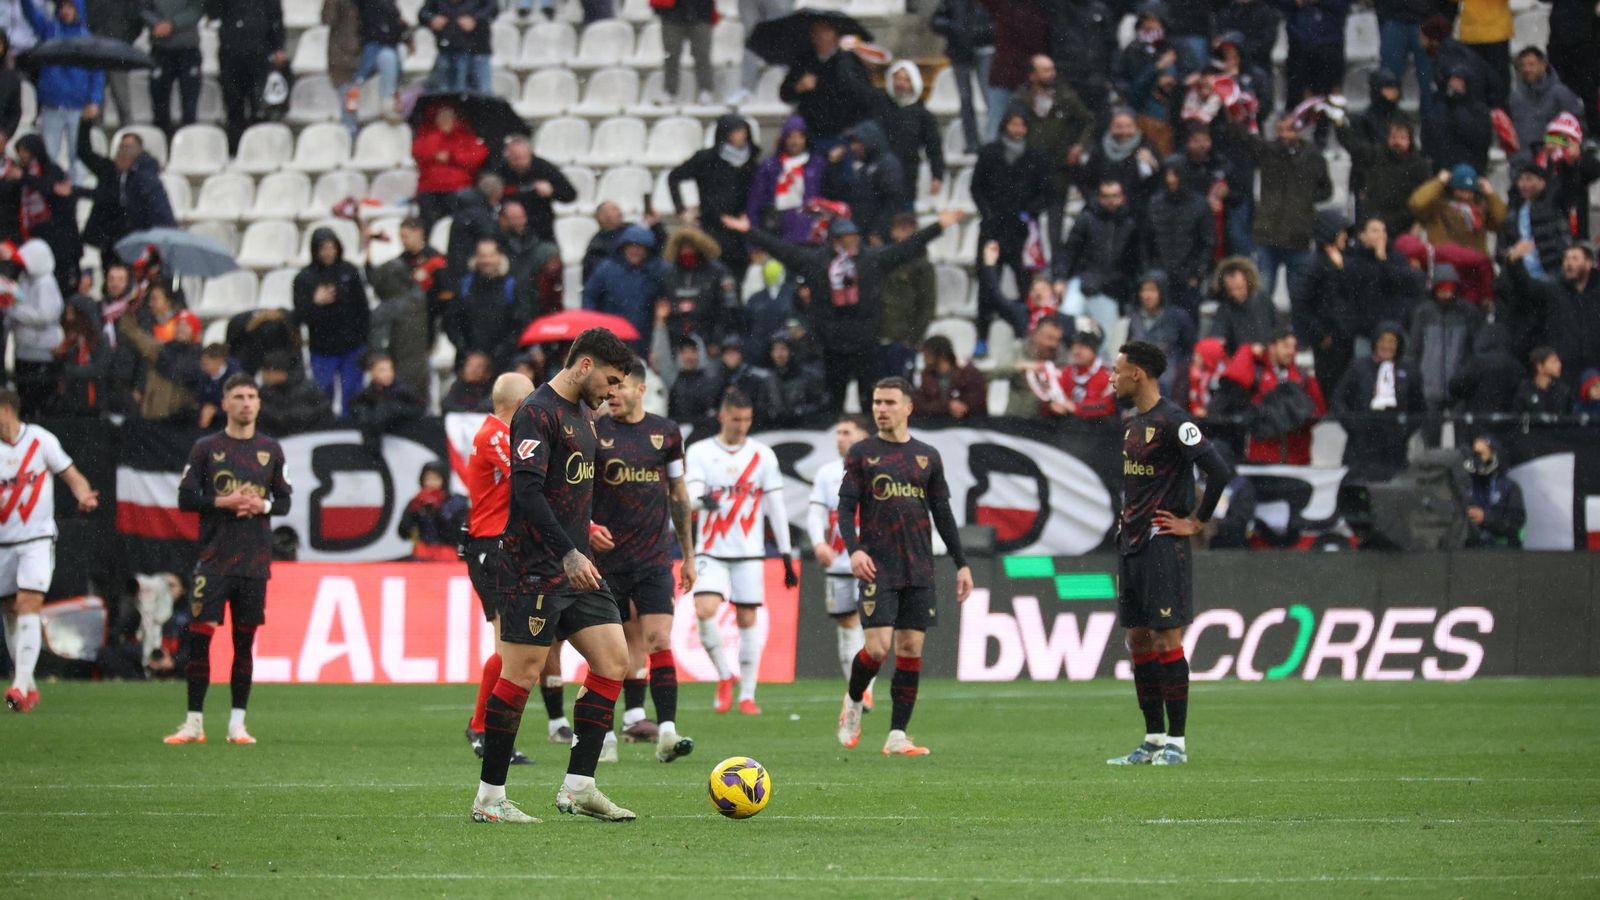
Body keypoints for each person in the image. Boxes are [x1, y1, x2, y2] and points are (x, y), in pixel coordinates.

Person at [470, 327, 639, 824]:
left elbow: (561, 490)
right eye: (610, 380)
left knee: (613, 660)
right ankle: (490, 798)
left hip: (575, 564)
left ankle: (579, 786)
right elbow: (526, 493)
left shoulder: (582, 416)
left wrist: (582, 532)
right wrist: (567, 551)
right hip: (533, 568)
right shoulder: (537, 412)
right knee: (519, 674)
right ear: (584, 365)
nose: (613, 392)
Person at [1105, 341, 1231, 766]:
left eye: (1117, 370)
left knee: (1165, 637)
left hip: (1163, 544)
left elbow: (1218, 471)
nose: (1112, 377)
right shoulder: (1131, 423)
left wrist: (1195, 522)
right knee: (1137, 638)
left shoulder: (1176, 422)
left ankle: (1177, 743)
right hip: (1132, 543)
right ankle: (1153, 739)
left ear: (1137, 373)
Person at [835, 377, 972, 755]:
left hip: (919, 566)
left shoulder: (927, 455)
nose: (881, 409)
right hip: (878, 565)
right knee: (877, 649)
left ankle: (897, 735)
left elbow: (942, 512)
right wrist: (854, 550)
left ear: (907, 408)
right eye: (877, 402)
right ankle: (853, 699)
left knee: (910, 647)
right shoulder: (863, 453)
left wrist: (962, 563)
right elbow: (845, 508)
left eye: (889, 402)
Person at [725, 209, 963, 413]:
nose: (852, 243)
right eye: (847, 239)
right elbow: (783, 250)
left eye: (854, 238)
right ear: (835, 240)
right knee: (831, 403)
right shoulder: (817, 262)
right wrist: (749, 231)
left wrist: (939, 226)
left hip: (866, 345)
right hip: (831, 347)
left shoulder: (871, 261)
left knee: (872, 403)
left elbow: (909, 247)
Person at [163, 375, 291, 744]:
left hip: (253, 563)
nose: (246, 403)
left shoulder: (271, 450)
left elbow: (284, 501)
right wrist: (223, 502)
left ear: (259, 403)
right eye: (238, 396)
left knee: (243, 643)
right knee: (200, 640)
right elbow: (186, 499)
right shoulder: (206, 448)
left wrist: (262, 504)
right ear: (225, 402)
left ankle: (237, 724)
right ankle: (194, 723)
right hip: (214, 559)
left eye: (252, 396)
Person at [591, 359, 698, 762]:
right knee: (610, 653)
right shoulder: (594, 432)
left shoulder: (666, 433)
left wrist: (687, 555)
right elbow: (576, 489)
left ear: (641, 389)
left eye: (619, 387)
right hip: (606, 561)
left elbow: (678, 493)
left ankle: (667, 732)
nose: (612, 394)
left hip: (654, 557)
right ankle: (602, 734)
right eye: (609, 387)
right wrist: (585, 526)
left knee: (658, 640)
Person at [683, 391, 796, 715]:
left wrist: (786, 556)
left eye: (747, 420)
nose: (742, 426)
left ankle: (747, 694)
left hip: (749, 552)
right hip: (711, 550)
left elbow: (776, 506)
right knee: (705, 610)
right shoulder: (701, 451)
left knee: (748, 619)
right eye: (736, 419)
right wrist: (703, 500)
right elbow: (689, 496)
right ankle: (724, 674)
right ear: (722, 416)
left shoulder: (763, 456)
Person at [0, 389, 98, 712]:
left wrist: (84, 495)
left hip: (37, 539)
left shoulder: (40, 440)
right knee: (10, 610)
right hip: (2, 543)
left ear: (6, 410)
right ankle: (27, 683)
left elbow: (71, 475)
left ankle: (17, 686)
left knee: (28, 602)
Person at [461, 372, 539, 767]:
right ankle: (484, 729)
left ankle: (485, 728)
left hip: (503, 548)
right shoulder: (495, 435)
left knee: (520, 650)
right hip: (492, 549)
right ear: (521, 404)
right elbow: (528, 481)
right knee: (512, 651)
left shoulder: (496, 433)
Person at [806, 414, 874, 712]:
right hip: (838, 563)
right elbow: (815, 513)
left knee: (873, 626)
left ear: (862, 435)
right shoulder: (827, 473)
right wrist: (818, 542)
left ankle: (865, 690)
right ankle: (856, 691)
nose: (840, 438)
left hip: (873, 563)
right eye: (837, 433)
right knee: (847, 624)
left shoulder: (878, 469)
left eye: (846, 432)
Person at [971, 109, 1051, 346]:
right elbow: (977, 188)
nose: (1017, 130)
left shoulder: (1036, 156)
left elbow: (1047, 193)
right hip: (992, 232)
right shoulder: (989, 153)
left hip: (1022, 235)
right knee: (987, 285)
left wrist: (1030, 212)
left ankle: (1027, 335)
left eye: (1022, 125)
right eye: (1013, 124)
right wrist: (988, 213)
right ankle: (982, 336)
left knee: (1025, 285)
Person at [1053, 179, 1142, 347]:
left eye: (1115, 196)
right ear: (1099, 198)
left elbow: (1133, 263)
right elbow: (1069, 251)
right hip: (1082, 281)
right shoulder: (1086, 220)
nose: (1110, 201)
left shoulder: (1130, 225)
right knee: (1065, 319)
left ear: (1123, 197)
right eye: (1106, 196)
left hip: (1110, 289)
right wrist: (1060, 278)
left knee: (1106, 341)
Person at [1499, 243, 1600, 390]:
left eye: (1575, 258)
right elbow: (1527, 287)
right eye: (1566, 259)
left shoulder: (1596, 295)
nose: (1568, 263)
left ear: (1589, 263)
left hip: (1594, 372)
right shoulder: (1553, 292)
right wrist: (1515, 262)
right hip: (1563, 373)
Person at [1332, 322, 1424, 480]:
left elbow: (1420, 408)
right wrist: (1352, 424)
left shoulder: (1409, 370)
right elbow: (1339, 399)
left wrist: (1404, 430)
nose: (1386, 345)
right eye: (1382, 340)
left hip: (1394, 448)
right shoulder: (1358, 367)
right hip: (1361, 445)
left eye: (1392, 341)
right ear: (1375, 342)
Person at [20, 0, 99, 184]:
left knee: (76, 157)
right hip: (52, 106)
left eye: (70, 7)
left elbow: (97, 73)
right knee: (49, 155)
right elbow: (31, 14)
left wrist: (94, 100)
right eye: (62, 6)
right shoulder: (49, 31)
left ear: (78, 10)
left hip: (78, 107)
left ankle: (75, 197)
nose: (65, 11)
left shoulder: (86, 38)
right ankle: (50, 199)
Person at [1222, 327, 1328, 464]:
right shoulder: (1257, 373)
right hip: (1262, 459)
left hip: (1297, 459)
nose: (1291, 352)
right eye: (1285, 346)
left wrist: (1294, 417)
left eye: (1293, 347)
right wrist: (1247, 351)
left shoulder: (1303, 377)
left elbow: (1319, 411)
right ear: (1271, 347)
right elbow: (1234, 377)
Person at [293, 228, 370, 413]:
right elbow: (299, 316)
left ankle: (350, 430)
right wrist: (315, 302)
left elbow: (363, 308)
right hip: (322, 349)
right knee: (322, 394)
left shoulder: (349, 271)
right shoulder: (304, 278)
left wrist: (365, 340)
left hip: (351, 346)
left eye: (331, 247)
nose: (328, 252)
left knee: (352, 394)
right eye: (323, 248)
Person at [78, 128, 176, 260]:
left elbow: (159, 210)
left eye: (128, 147)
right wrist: (85, 123)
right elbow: (84, 152)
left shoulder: (145, 177)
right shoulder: (110, 170)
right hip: (110, 241)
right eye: (121, 147)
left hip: (136, 239)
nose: (123, 151)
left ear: (139, 150)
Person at [777, 18, 879, 143]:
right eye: (816, 32)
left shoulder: (848, 60)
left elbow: (863, 95)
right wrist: (799, 87)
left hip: (842, 131)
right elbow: (785, 94)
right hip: (811, 132)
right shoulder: (804, 61)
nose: (820, 36)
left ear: (835, 35)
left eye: (825, 32)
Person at [208, 0, 288, 150]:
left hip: (259, 54)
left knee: (260, 107)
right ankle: (236, 148)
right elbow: (212, 12)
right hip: (231, 54)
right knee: (233, 105)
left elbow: (276, 17)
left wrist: (279, 46)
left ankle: (261, 148)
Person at [1143, 156, 1215, 317]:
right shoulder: (1155, 203)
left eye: (1175, 175)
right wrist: (1149, 271)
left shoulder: (1200, 205)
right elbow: (1146, 241)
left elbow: (1207, 243)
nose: (1171, 180)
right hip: (1160, 275)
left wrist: (1198, 273)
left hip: (1188, 276)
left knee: (1188, 324)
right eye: (1167, 175)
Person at [1408, 263, 1482, 416]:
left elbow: (1476, 350)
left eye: (1450, 289)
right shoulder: (1423, 313)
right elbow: (1414, 350)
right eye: (1442, 289)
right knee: (1430, 435)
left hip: (1460, 387)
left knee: (1462, 435)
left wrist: (1468, 377)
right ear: (1435, 289)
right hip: (1429, 387)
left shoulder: (1469, 313)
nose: (1446, 294)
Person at [1339, 117, 1430, 237]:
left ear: (1410, 140)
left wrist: (1418, 223)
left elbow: (1424, 199)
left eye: (1402, 138)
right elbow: (1354, 147)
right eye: (1393, 137)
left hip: (1405, 227)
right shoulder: (1376, 156)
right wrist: (1340, 126)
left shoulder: (1419, 166)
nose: (1397, 142)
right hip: (1376, 224)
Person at [2, 240, 65, 415]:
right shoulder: (24, 279)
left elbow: (44, 316)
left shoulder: (46, 283)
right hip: (23, 352)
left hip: (41, 355)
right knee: (25, 401)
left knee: (40, 401)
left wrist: (13, 310)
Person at [449, 238, 530, 373]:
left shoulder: (511, 286)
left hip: (503, 364)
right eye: (482, 256)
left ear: (499, 257)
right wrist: (468, 353)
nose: (486, 261)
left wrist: (495, 355)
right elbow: (452, 322)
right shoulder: (465, 286)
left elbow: (519, 324)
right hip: (468, 363)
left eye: (490, 256)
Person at [583, 225, 667, 352]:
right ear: (623, 247)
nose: (635, 251)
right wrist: (593, 327)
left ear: (647, 250)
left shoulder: (657, 270)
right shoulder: (607, 269)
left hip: (646, 337)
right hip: (612, 336)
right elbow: (590, 296)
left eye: (640, 247)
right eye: (631, 246)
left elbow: (665, 297)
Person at [746, 117, 829, 246]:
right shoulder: (770, 166)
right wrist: (753, 245)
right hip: (777, 234)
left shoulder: (817, 164)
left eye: (799, 137)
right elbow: (755, 204)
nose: (795, 142)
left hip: (811, 236)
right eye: (790, 137)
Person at [823, 121, 909, 244]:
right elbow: (839, 194)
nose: (853, 147)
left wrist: (879, 231)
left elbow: (894, 202)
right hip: (860, 235)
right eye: (852, 143)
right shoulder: (862, 167)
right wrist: (834, 165)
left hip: (877, 237)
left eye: (858, 142)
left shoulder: (887, 164)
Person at [875, 60, 945, 206]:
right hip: (879, 175)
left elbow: (934, 147)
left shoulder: (922, 114)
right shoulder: (880, 107)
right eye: (897, 78)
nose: (900, 84)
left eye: (906, 80)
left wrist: (937, 175)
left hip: (907, 175)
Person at [876, 213, 936, 380]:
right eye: (901, 228)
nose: (904, 234)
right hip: (879, 335)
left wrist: (912, 339)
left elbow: (927, 305)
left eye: (909, 229)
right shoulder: (884, 260)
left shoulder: (921, 266)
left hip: (902, 338)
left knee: (901, 387)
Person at [412, 104, 489, 229]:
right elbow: (419, 153)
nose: (445, 120)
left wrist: (453, 156)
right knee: (426, 208)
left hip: (457, 187)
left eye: (448, 117)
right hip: (430, 187)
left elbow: (478, 156)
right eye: (441, 117)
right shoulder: (427, 136)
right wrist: (438, 137)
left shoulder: (465, 136)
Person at [930, 0, 993, 153]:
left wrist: (984, 31)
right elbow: (936, 21)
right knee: (965, 99)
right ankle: (972, 142)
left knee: (989, 96)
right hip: (960, 51)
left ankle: (993, 139)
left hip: (984, 48)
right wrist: (955, 29)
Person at [494, 136, 575, 249]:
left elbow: (571, 194)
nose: (518, 162)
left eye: (521, 157)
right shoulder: (500, 171)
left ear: (530, 154)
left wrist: (552, 191)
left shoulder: (544, 168)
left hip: (539, 225)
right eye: (514, 158)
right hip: (510, 226)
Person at [1408, 165, 1506, 258]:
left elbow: (1501, 220)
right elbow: (1416, 203)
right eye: (1461, 190)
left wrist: (1490, 194)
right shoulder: (1436, 208)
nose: (1466, 196)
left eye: (1470, 191)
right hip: (1445, 263)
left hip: (1474, 265)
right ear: (1451, 189)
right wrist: (1439, 182)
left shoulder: (1480, 211)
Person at [1127, 272, 1197, 399]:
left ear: (1161, 292)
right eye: (1143, 290)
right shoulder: (1133, 318)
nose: (1147, 296)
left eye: (1152, 290)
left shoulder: (1177, 317)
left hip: (1169, 379)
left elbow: (1190, 349)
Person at [142, 0, 203, 134]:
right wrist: (155, 23)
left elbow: (197, 8)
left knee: (189, 105)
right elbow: (142, 8)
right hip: (160, 50)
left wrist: (172, 24)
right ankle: (162, 142)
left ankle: (189, 142)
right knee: (159, 104)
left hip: (188, 49)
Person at [1509, 48, 1583, 154]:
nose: (1527, 69)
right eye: (1523, 65)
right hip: (1521, 165)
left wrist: (1551, 143)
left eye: (1531, 64)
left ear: (1543, 65)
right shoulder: (1515, 98)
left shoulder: (1560, 93)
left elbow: (1578, 129)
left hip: (1552, 162)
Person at [349, 351, 427, 446]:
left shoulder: (403, 390)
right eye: (382, 370)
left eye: (390, 369)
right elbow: (355, 405)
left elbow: (421, 408)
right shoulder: (367, 393)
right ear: (371, 372)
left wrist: (394, 409)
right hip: (378, 442)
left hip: (407, 439)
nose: (388, 374)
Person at [397, 461, 468, 561]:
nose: (431, 483)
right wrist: (412, 513)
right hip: (422, 555)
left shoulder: (456, 503)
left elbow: (458, 536)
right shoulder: (418, 501)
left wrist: (439, 512)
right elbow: (403, 533)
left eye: (436, 479)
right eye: (428, 479)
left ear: (444, 480)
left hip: (448, 556)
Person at [421, 0, 495, 94]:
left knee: (482, 96)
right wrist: (432, 19)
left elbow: (493, 8)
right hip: (448, 51)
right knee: (448, 97)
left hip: (478, 50)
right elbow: (423, 13)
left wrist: (475, 19)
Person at [1462, 436, 1524, 548]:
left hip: (1502, 553)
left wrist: (1485, 518)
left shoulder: (1509, 487)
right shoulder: (1463, 486)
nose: (1476, 459)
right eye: (1474, 455)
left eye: (1480, 454)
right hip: (1468, 553)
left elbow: (1516, 523)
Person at [256, 350, 335, 435]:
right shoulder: (264, 393)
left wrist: (283, 418)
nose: (263, 375)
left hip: (311, 438)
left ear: (282, 373)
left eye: (267, 371)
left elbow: (324, 415)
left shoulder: (310, 390)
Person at [652, 0, 714, 105]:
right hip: (672, 15)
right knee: (670, 55)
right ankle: (669, 91)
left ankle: (706, 90)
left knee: (702, 54)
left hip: (701, 14)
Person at [915, 335, 986, 419]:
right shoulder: (927, 375)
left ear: (940, 354)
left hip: (970, 425)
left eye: (927, 354)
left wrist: (962, 407)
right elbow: (920, 404)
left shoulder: (969, 373)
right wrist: (947, 406)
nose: (924, 358)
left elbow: (976, 402)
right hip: (937, 425)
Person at [1056, 325, 1117, 420]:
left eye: (1083, 347)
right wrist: (1051, 404)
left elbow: (1106, 406)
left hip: (1092, 428)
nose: (1077, 351)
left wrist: (1077, 407)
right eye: (1075, 346)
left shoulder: (1107, 377)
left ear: (1094, 350)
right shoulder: (1067, 371)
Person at [1513, 346, 1574, 414]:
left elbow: (1569, 418)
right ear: (1539, 366)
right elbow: (1518, 418)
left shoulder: (1563, 391)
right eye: (1554, 362)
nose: (1559, 365)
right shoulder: (1525, 389)